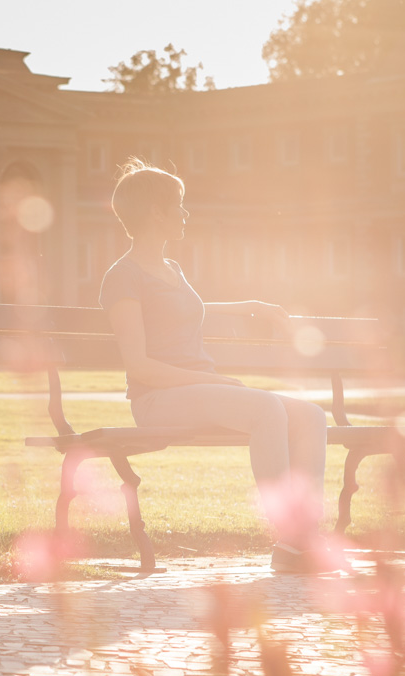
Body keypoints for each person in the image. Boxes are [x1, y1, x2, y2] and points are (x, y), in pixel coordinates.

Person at [98, 159, 327, 574]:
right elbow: (140, 366)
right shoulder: (122, 278)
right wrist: (205, 378)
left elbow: (177, 310)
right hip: (158, 399)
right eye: (178, 205)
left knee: (311, 415)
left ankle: (305, 538)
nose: (185, 214)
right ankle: (293, 538)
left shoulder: (172, 270)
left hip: (197, 393)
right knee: (265, 409)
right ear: (156, 212)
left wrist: (250, 306)